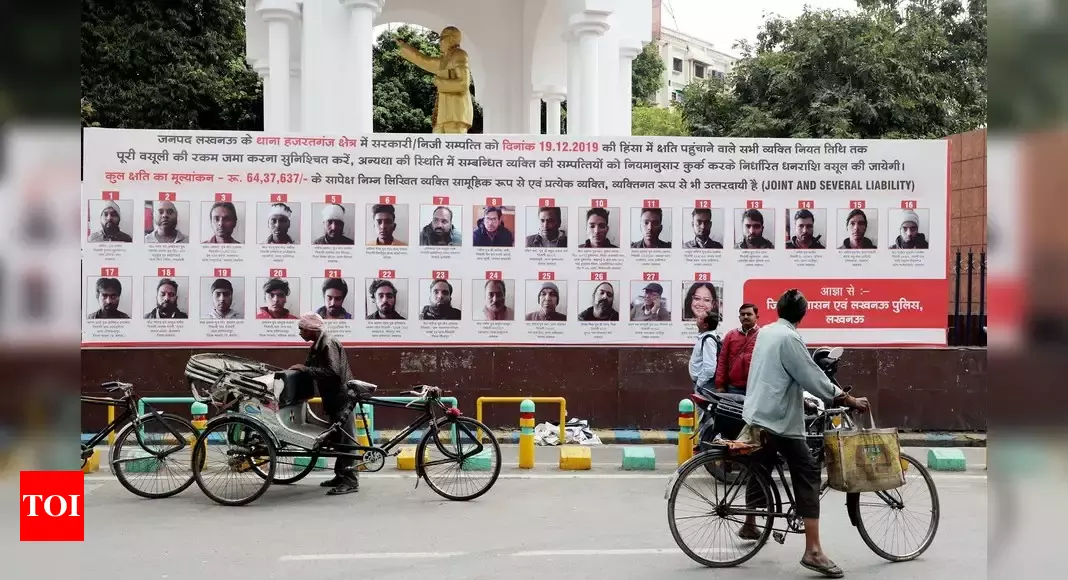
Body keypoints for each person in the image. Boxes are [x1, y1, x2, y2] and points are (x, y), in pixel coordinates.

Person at [739, 289, 869, 578]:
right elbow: (811, 376)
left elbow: (780, 373)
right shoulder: (790, 338)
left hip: (758, 411)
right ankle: (813, 550)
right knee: (808, 472)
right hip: (778, 418)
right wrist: (847, 399)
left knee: (760, 465)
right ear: (803, 315)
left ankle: (750, 522)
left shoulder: (769, 332)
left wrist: (804, 395)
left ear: (778, 310)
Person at [289, 312, 360, 495]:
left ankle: (350, 481)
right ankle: (340, 475)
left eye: (301, 329)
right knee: (339, 440)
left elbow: (332, 371)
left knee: (346, 440)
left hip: (342, 397)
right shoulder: (318, 344)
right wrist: (302, 369)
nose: (299, 333)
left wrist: (305, 370)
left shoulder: (327, 343)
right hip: (333, 398)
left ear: (311, 329)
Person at [714, 303, 760, 395]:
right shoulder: (731, 335)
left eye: (749, 314)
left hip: (756, 387)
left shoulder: (763, 335)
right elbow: (722, 361)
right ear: (739, 317)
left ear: (757, 317)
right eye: (742, 314)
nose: (745, 317)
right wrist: (719, 385)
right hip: (734, 387)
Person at [688, 309, 720, 398]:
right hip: (703, 385)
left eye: (700, 318)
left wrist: (699, 384)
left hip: (705, 386)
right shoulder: (705, 337)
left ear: (705, 325)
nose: (697, 318)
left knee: (703, 411)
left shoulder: (708, 340)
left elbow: (710, 369)